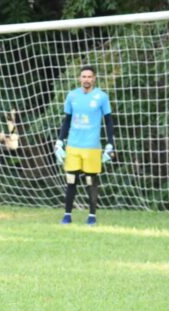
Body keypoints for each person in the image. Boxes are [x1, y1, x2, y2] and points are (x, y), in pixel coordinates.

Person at [54, 65, 114, 225]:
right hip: (73, 146)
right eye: (84, 76)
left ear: (94, 78)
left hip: (92, 147)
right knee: (71, 180)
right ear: (79, 78)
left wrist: (110, 143)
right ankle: (67, 215)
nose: (86, 79)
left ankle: (92, 216)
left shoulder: (101, 97)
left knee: (91, 182)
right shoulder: (72, 96)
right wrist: (60, 141)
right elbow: (67, 120)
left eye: (89, 76)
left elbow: (108, 122)